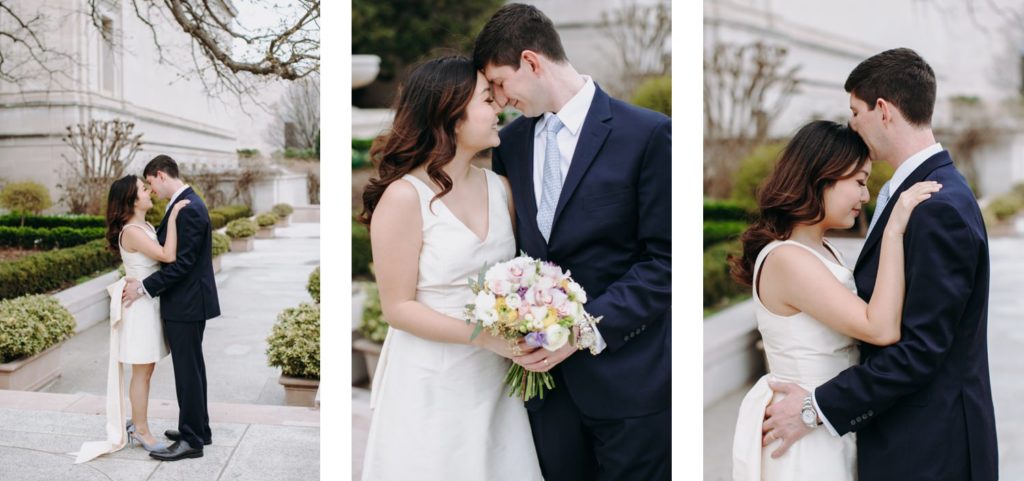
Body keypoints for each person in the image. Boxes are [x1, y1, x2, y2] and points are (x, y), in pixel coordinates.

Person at [762, 48, 999, 481]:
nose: (851, 123)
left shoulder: (935, 205)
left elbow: (919, 351)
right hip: (904, 443)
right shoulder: (917, 194)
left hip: (930, 451)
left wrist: (815, 408)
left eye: (855, 111)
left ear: (883, 110)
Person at [472, 4, 672, 480]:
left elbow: (666, 261)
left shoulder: (648, 134)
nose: (498, 100)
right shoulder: (512, 144)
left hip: (629, 386)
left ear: (532, 61)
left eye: (499, 83)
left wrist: (582, 331)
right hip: (544, 392)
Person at [358, 56, 543, 480]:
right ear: (451, 113)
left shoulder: (502, 189)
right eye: (486, 99)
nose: (500, 107)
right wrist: (485, 338)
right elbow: (398, 307)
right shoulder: (405, 197)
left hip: (496, 379)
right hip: (431, 378)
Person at [729, 120, 941, 480]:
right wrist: (893, 229)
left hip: (823, 421)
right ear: (821, 176)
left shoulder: (821, 248)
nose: (865, 196)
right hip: (804, 438)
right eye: (859, 182)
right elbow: (880, 327)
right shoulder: (787, 260)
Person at [75, 175, 188, 463]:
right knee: (142, 371)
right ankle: (141, 430)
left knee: (146, 371)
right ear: (131, 199)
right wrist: (174, 214)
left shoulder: (145, 226)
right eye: (142, 189)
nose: (149, 191)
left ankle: (138, 422)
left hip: (147, 304)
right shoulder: (133, 231)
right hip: (139, 311)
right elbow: (167, 254)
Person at [122, 155, 221, 462]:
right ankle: (199, 428)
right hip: (189, 301)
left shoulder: (188, 207)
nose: (151, 190)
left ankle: (192, 439)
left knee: (187, 372)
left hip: (187, 302)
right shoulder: (185, 203)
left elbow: (182, 265)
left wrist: (144, 287)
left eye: (150, 183)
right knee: (193, 368)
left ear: (161, 175)